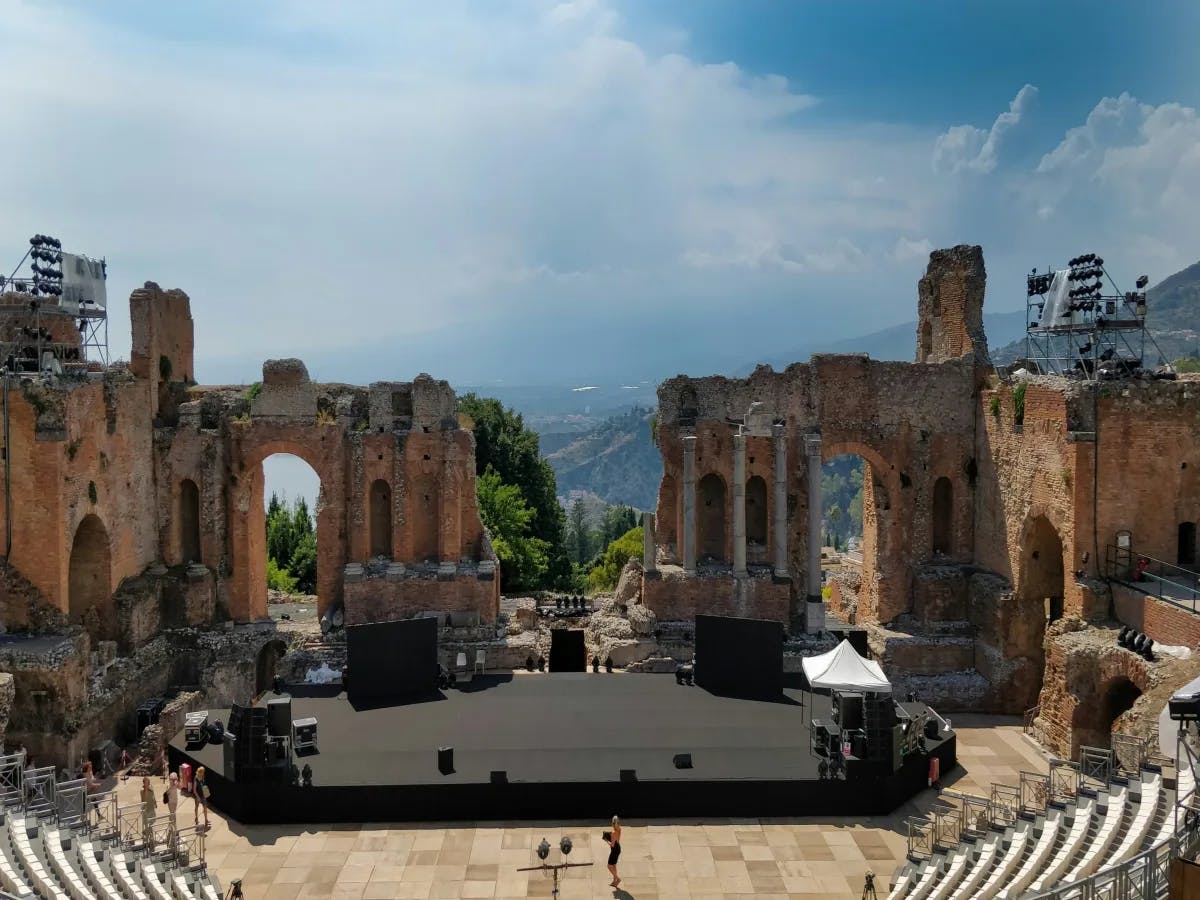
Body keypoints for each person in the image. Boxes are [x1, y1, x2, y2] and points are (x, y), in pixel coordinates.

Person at [604, 815, 622, 888]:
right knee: (614, 865)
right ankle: (614, 881)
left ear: (612, 823)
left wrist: (606, 841)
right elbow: (617, 840)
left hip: (614, 850)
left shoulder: (613, 832)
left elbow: (612, 845)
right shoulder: (619, 829)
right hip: (618, 848)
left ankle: (617, 878)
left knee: (609, 866)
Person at [140, 776, 157, 848]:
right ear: (144, 783)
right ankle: (150, 840)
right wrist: (146, 789)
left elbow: (153, 795)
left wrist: (155, 803)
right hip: (146, 809)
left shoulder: (151, 787)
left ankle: (148, 836)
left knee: (151, 823)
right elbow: (143, 799)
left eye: (148, 781)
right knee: (148, 825)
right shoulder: (142, 790)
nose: (147, 783)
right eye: (146, 782)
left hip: (151, 808)